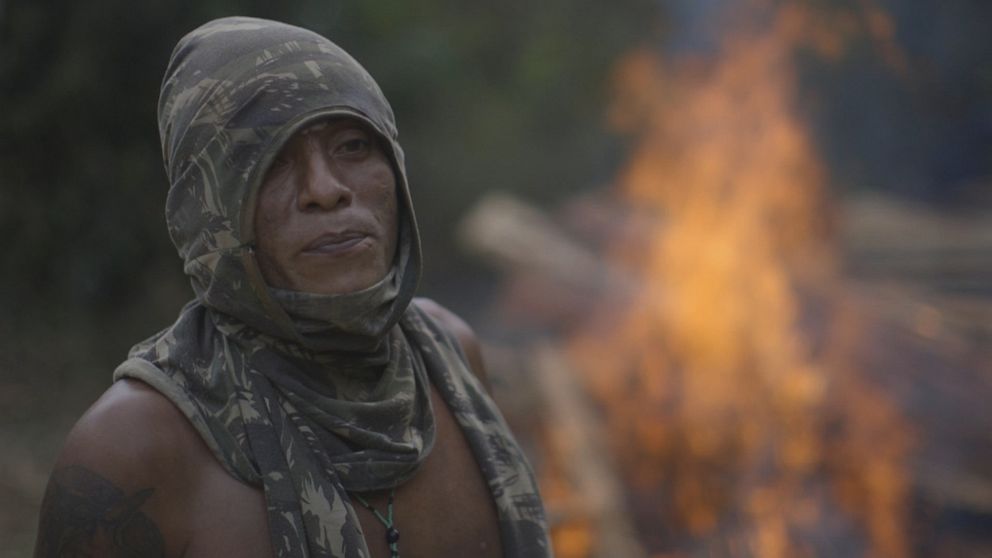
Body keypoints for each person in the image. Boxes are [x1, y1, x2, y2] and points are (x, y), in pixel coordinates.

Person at [34, 16, 550, 558]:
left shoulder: (451, 360)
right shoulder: (133, 447)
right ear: (207, 211)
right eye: (270, 161)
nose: (326, 191)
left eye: (353, 145)